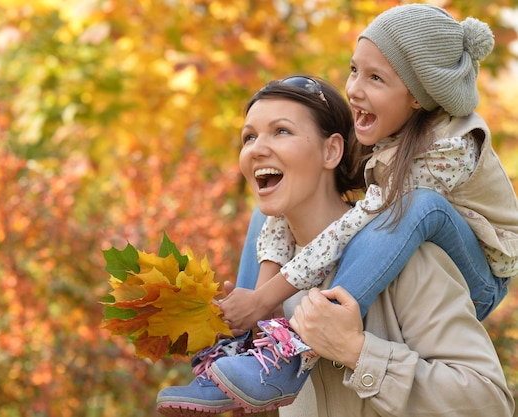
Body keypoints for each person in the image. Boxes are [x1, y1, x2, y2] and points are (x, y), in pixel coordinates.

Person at [209, 4, 518, 412]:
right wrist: (254, 302)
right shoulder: (386, 139)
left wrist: (351, 347)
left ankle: (299, 343)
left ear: (416, 95)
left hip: (484, 270)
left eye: (375, 77)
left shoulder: (449, 150)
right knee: (266, 217)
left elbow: (359, 221)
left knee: (415, 205)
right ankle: (245, 346)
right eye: (355, 70)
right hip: (408, 232)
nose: (354, 88)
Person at [157, 75, 368, 416]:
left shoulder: (396, 250)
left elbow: (480, 389)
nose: (257, 148)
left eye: (281, 131)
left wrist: (359, 353)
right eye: (249, 137)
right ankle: (245, 349)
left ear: (331, 150)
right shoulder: (274, 238)